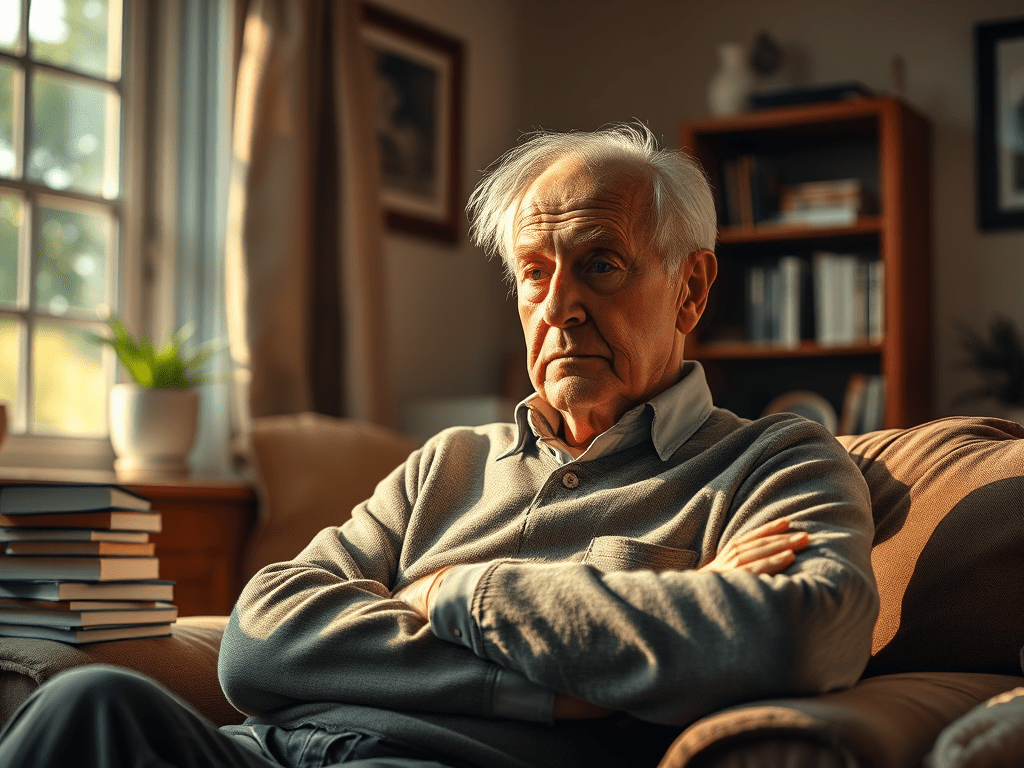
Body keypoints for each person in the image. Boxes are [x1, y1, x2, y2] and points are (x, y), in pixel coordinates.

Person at [0, 123, 878, 768]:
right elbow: (261, 635)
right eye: (536, 271)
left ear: (690, 290)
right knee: (91, 702)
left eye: (600, 264)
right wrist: (579, 655)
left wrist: (455, 591)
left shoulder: (776, 462)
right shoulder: (447, 462)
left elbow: (800, 636)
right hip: (263, 753)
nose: (559, 304)